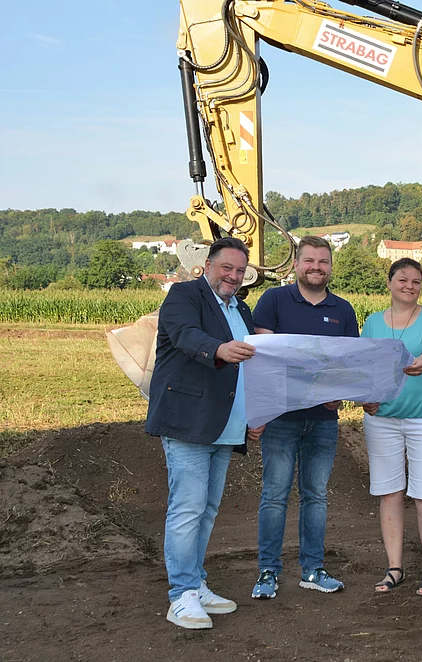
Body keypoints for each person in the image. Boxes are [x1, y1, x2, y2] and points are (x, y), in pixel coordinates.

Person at [145, 236, 266, 630]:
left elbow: (251, 368)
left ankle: (195, 583)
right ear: (208, 266)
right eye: (226, 268)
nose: (233, 276)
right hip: (188, 421)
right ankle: (180, 595)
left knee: (207, 509)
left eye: (240, 271)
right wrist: (219, 349)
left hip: (226, 425)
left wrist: (255, 414)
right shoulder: (184, 296)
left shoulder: (241, 309)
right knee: (187, 508)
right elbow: (186, 335)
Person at [249, 236, 359, 600]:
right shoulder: (274, 300)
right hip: (281, 417)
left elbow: (347, 362)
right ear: (296, 264)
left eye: (323, 261)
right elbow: (265, 357)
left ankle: (313, 569)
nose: (316, 267)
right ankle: (268, 570)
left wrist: (338, 390)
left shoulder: (343, 310)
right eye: (309, 260)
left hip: (324, 419)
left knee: (316, 496)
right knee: (275, 495)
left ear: (330, 267)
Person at [361, 258, 422, 598]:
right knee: (390, 493)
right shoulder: (372, 322)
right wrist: (365, 398)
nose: (409, 286)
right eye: (403, 280)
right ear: (389, 283)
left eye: (416, 281)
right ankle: (394, 567)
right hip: (382, 419)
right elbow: (365, 367)